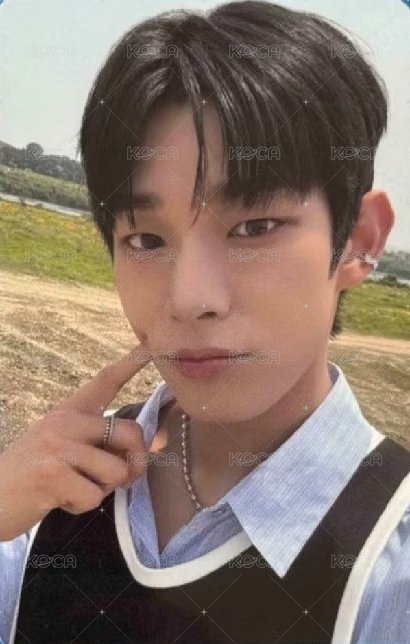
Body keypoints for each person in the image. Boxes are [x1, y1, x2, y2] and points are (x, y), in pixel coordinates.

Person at [1, 1, 409, 643]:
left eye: (255, 227)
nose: (190, 298)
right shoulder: (43, 500)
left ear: (359, 240)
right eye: (146, 239)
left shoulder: (388, 565)